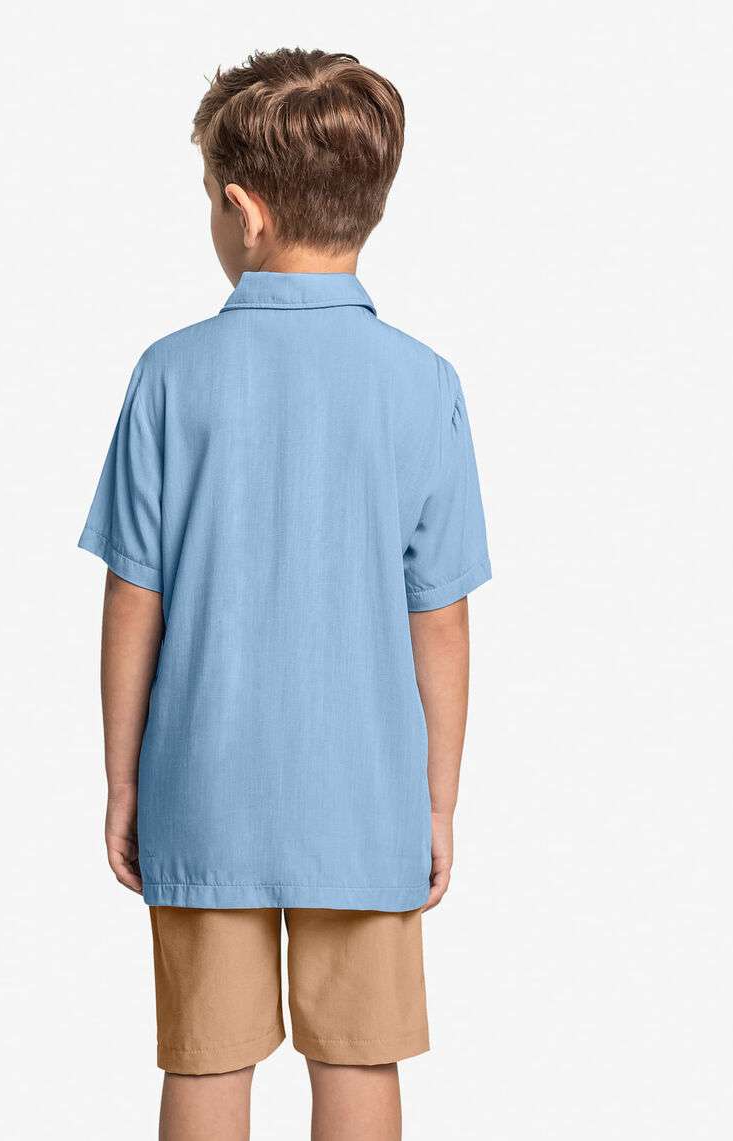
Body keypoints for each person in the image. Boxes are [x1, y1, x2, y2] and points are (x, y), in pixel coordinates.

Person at [79, 47, 491, 1141]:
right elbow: (441, 616)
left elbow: (133, 598)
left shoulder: (170, 373)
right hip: (365, 791)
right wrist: (436, 801)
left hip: (203, 780)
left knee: (206, 1058)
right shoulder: (423, 382)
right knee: (358, 1054)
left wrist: (122, 781)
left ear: (243, 210)